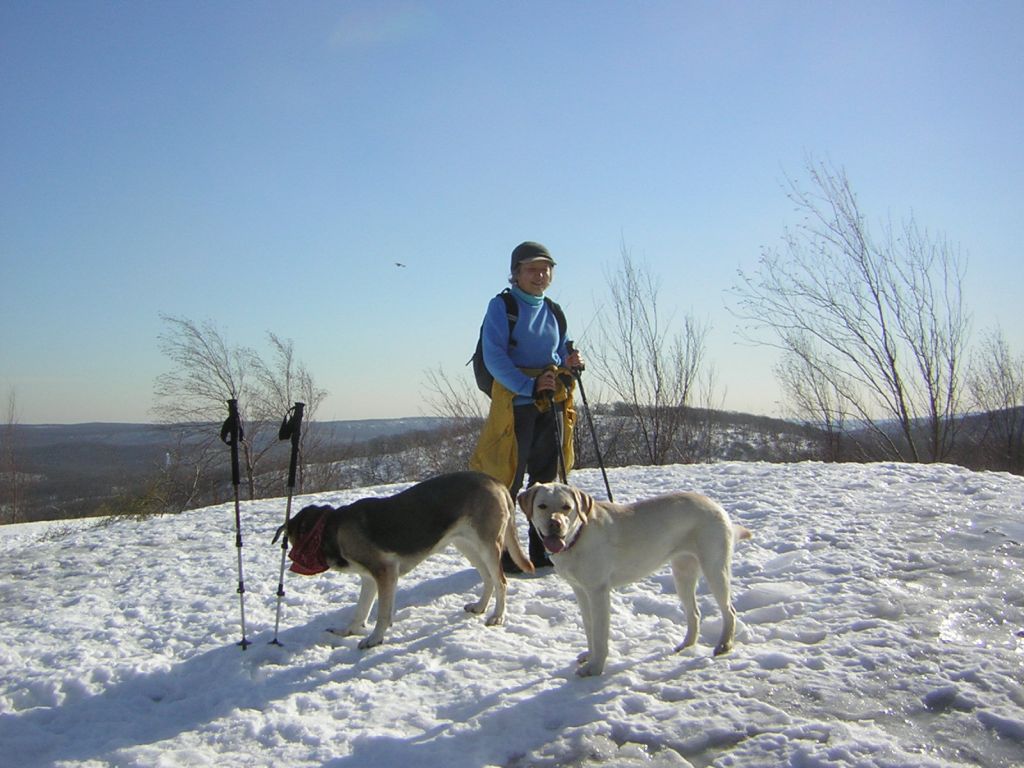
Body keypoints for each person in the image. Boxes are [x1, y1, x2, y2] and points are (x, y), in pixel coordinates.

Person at [470, 241, 583, 569]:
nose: (540, 274)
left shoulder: (553, 310)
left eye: (546, 268)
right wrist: (527, 385)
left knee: (546, 480)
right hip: (516, 405)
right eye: (532, 268)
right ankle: (503, 555)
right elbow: (494, 356)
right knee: (508, 480)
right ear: (516, 273)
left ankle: (542, 549)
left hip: (550, 401)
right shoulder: (502, 306)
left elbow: (559, 350)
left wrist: (570, 362)